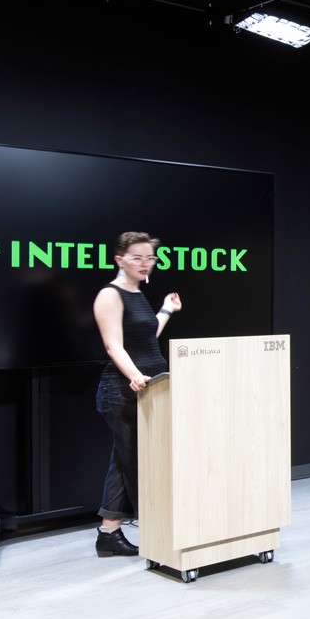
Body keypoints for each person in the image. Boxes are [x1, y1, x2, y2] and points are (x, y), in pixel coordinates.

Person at [91, 231, 181, 558]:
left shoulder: (137, 293)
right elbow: (113, 343)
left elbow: (144, 338)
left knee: (123, 460)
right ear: (119, 260)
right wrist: (135, 376)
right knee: (136, 463)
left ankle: (109, 533)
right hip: (122, 390)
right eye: (137, 258)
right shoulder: (110, 295)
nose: (146, 264)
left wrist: (166, 311)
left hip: (148, 386)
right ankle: (156, 532)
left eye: (150, 258)